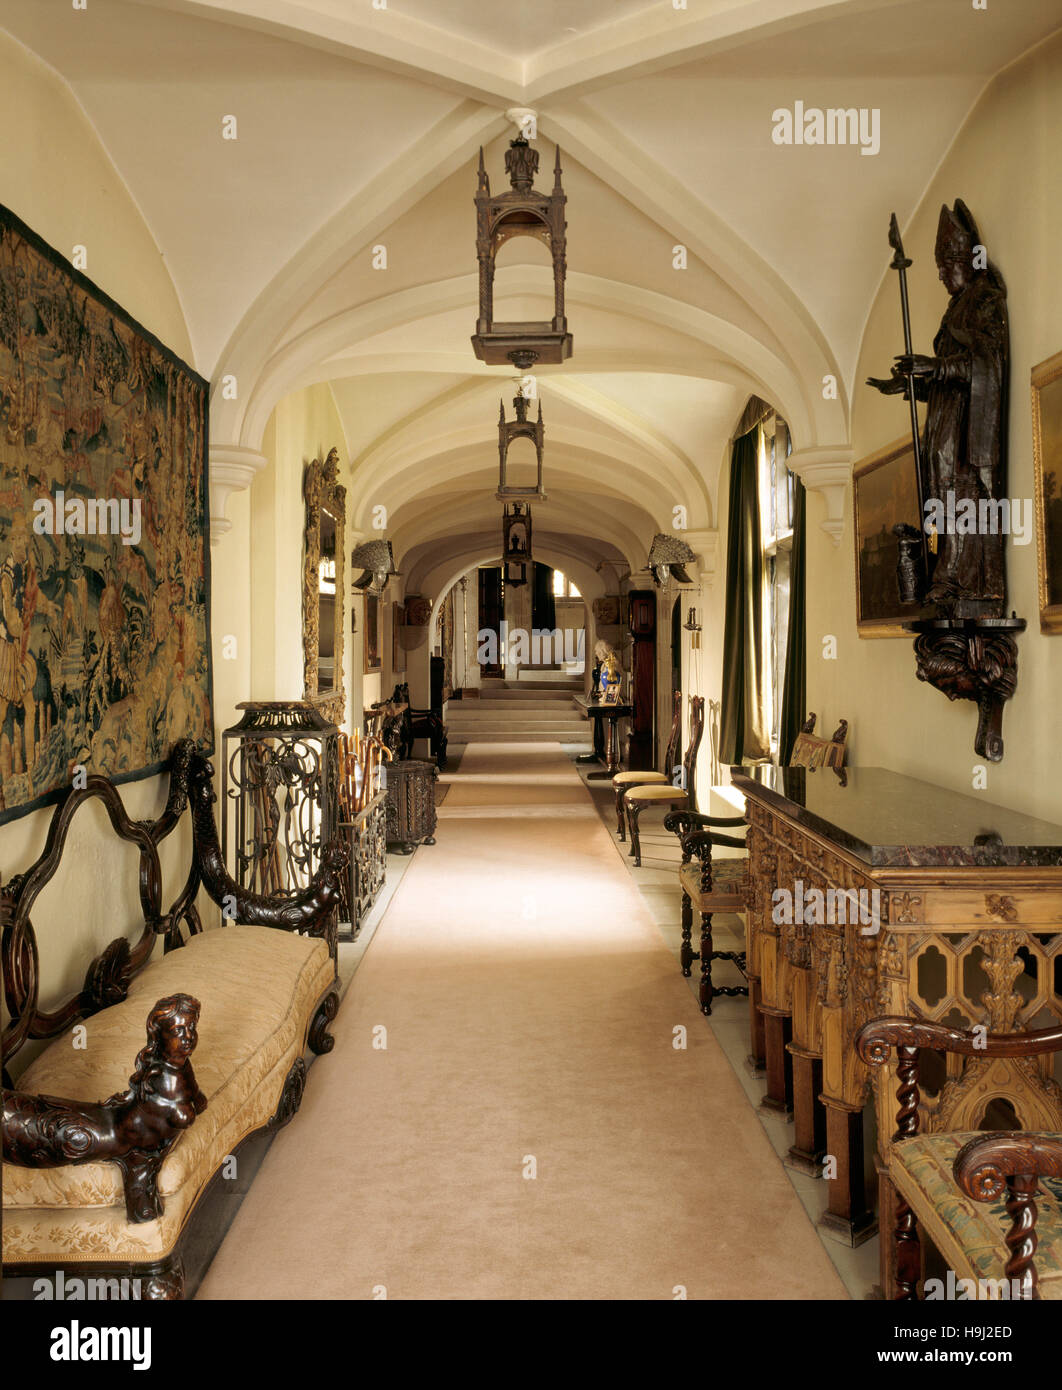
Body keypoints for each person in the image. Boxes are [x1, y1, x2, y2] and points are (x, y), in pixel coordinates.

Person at [867, 200, 1008, 614]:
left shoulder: (984, 301)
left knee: (958, 493)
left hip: (968, 429)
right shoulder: (953, 310)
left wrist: (936, 367)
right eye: (939, 266)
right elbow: (948, 381)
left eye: (948, 264)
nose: (942, 274)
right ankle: (945, 574)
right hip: (946, 421)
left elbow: (988, 365)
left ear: (968, 258)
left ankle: (960, 578)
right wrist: (913, 385)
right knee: (938, 493)